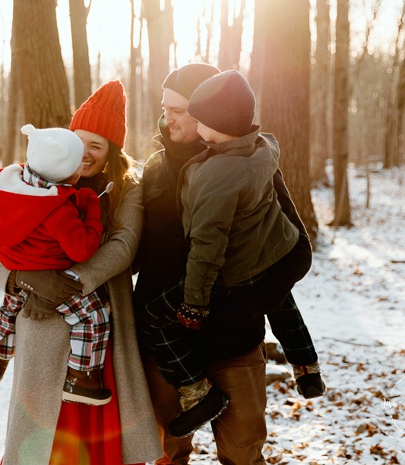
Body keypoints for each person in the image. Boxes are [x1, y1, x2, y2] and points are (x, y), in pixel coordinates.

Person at [134, 64, 324, 463]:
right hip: (165, 345)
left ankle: (304, 361)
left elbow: (294, 253)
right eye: (165, 107)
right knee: (166, 453)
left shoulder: (248, 162)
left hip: (234, 343)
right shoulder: (151, 171)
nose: (168, 117)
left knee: (243, 452)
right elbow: (129, 250)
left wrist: (239, 303)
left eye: (180, 110)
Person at [0, 81, 162, 465]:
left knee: (94, 431)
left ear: (112, 150)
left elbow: (123, 245)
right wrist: (21, 279)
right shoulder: (31, 177)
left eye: (98, 145)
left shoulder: (128, 187)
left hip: (97, 327)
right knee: (40, 436)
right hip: (37, 320)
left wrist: (72, 284)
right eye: (81, 141)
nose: (86, 154)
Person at [0, 123, 112, 405]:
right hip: (53, 276)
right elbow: (82, 249)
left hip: (16, 270)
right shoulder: (58, 207)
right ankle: (82, 378)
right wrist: (90, 211)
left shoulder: (11, 187)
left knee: (9, 308)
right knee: (93, 317)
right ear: (73, 173)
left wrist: (19, 277)